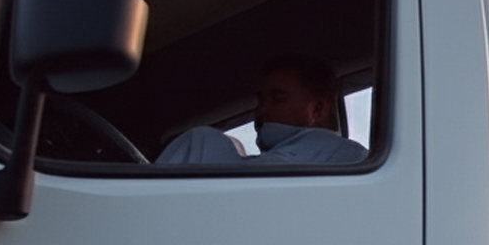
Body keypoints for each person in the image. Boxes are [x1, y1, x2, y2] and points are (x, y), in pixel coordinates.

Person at [156, 54, 367, 164]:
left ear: (318, 110)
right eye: (261, 101)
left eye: (278, 100)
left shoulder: (343, 156)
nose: (261, 112)